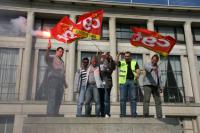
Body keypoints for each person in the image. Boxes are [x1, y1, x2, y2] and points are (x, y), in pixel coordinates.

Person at [45, 41, 67, 116]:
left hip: (60, 82)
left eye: (62, 52)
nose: (61, 53)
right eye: (60, 51)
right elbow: (46, 58)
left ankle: (55, 113)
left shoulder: (62, 62)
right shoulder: (52, 58)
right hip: (53, 80)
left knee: (58, 99)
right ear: (56, 52)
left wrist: (65, 83)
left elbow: (63, 73)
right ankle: (50, 115)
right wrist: (48, 49)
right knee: (52, 98)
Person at [116, 51, 140, 117]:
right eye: (125, 56)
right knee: (122, 99)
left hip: (132, 81)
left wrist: (138, 74)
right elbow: (116, 63)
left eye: (127, 56)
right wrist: (118, 55)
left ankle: (134, 113)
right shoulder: (122, 62)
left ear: (130, 56)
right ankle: (123, 114)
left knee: (133, 98)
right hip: (123, 82)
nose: (126, 57)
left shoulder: (134, 62)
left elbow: (138, 70)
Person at [143, 54, 163, 118]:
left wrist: (160, 87)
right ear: (151, 59)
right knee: (146, 99)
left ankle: (159, 115)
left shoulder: (158, 68)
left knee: (158, 101)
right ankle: (146, 114)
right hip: (147, 85)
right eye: (153, 59)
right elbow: (147, 68)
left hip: (155, 86)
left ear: (157, 61)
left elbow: (159, 78)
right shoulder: (147, 64)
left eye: (155, 60)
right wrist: (152, 68)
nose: (153, 61)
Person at [99, 52, 116, 117]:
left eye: (107, 55)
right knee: (101, 99)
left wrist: (111, 60)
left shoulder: (110, 63)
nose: (105, 56)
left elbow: (112, 69)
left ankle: (107, 113)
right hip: (100, 83)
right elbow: (101, 69)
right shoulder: (101, 61)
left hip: (107, 82)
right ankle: (101, 112)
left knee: (106, 98)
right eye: (104, 55)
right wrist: (102, 59)